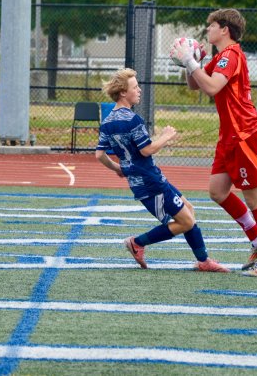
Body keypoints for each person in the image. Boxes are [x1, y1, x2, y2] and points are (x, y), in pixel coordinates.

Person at [170, 8, 257, 277]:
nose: (207, 30)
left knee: (254, 198)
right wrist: (191, 63)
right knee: (218, 191)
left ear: (225, 30)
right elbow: (196, 85)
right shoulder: (221, 56)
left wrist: (191, 61)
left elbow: (211, 87)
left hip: (246, 133)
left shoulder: (230, 55)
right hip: (231, 136)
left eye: (211, 26)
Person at [95, 67, 228, 273]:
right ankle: (138, 242)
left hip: (143, 181)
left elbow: (99, 154)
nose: (139, 90)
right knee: (186, 221)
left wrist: (118, 168)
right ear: (123, 92)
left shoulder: (107, 122)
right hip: (150, 181)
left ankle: (203, 260)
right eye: (135, 87)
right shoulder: (133, 120)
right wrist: (166, 136)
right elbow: (147, 150)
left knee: (188, 210)